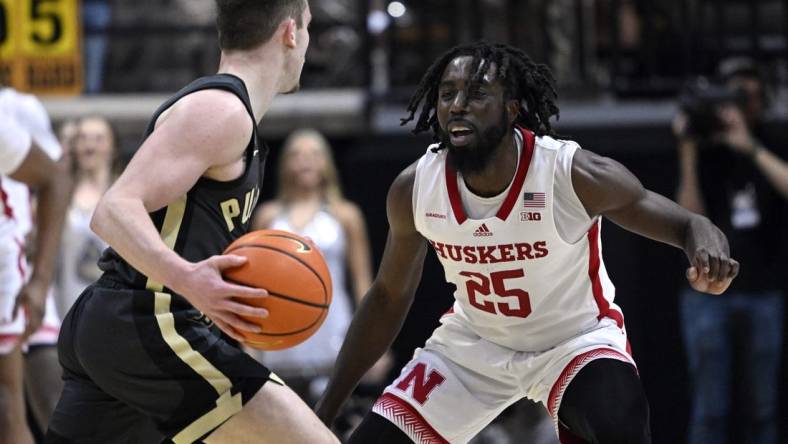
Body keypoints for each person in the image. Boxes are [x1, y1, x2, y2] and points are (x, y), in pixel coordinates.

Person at [315, 41, 739, 444]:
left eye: (477, 93)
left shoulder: (568, 174)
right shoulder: (415, 188)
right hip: (473, 345)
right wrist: (324, 413)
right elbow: (388, 296)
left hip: (572, 340)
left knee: (621, 425)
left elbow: (685, 223)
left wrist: (704, 244)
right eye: (447, 94)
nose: (457, 104)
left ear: (511, 107)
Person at [45, 1, 339, 443]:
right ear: (290, 33)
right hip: (150, 321)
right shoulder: (221, 111)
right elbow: (114, 209)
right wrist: (189, 279)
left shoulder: (228, 112)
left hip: (119, 326)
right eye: (310, 27)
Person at [674, 58, 786, 444]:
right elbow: (689, 220)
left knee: (764, 410)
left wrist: (750, 148)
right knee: (709, 410)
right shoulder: (705, 149)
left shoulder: (771, 141)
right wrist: (688, 152)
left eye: (753, 95)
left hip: (764, 287)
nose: (746, 104)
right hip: (707, 293)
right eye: (738, 96)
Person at [252, 128, 377, 406]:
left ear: (326, 163)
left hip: (333, 334)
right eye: (296, 154)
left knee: (327, 426)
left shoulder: (346, 215)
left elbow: (362, 284)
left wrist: (374, 345)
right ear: (285, 164)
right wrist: (248, 342)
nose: (305, 160)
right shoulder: (268, 216)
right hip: (281, 339)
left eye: (313, 154)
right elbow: (251, 285)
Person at [0, 87, 71, 444]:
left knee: (45, 400)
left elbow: (55, 172)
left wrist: (40, 277)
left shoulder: (15, 107)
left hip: (12, 258)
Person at [55, 116, 114, 317]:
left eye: (98, 138)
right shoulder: (61, 193)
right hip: (67, 302)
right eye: (82, 138)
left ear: (112, 146)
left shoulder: (125, 193)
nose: (90, 145)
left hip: (113, 306)